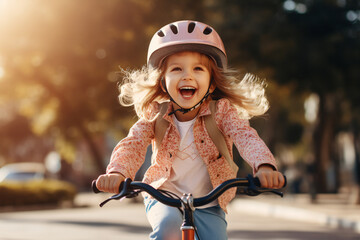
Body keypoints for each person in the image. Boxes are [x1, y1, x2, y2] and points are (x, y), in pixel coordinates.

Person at [95, 20, 285, 240]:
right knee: (168, 229)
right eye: (176, 69)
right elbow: (133, 144)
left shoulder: (221, 112)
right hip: (164, 196)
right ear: (163, 82)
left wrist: (264, 166)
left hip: (210, 201)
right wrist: (117, 173)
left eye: (198, 69)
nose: (187, 76)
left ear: (211, 84)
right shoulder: (156, 113)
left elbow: (245, 136)